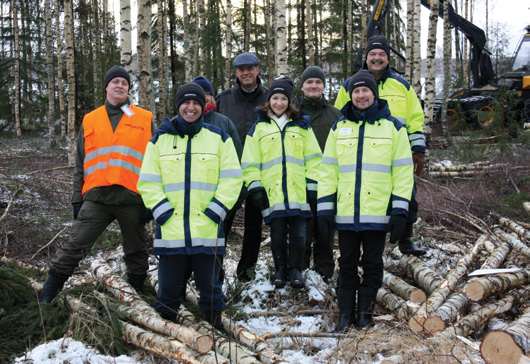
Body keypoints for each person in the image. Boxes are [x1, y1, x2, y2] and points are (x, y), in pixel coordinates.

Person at [39, 65, 155, 303]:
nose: (120, 86)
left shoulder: (144, 118)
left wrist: (151, 201)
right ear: (107, 87)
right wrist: (76, 199)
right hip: (96, 199)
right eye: (116, 82)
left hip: (131, 199)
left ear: (128, 89)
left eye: (124, 83)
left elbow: (156, 163)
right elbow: (80, 164)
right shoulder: (90, 119)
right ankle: (46, 299)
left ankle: (136, 300)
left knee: (136, 252)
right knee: (73, 247)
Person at [137, 83, 242, 329]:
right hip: (171, 233)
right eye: (186, 103)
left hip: (208, 232)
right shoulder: (160, 140)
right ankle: (168, 337)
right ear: (178, 106)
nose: (191, 107)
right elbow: (148, 181)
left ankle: (216, 335)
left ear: (203, 107)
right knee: (168, 291)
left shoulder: (219, 138)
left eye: (196, 103)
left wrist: (217, 210)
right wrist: (161, 212)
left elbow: (233, 178)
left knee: (211, 291)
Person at [318, 70, 414, 330]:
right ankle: (345, 316)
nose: (361, 95)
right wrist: (325, 209)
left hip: (378, 214)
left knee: (372, 264)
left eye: (366, 90)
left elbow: (403, 172)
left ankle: (365, 316)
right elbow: (328, 170)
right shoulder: (340, 127)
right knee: (346, 263)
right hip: (347, 213)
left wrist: (400, 211)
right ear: (351, 95)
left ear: (374, 93)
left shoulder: (394, 128)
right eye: (356, 91)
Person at [334, 34, 427, 256]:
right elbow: (338, 118)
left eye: (381, 55)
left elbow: (415, 118)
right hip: (356, 153)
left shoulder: (402, 86)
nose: (377, 58)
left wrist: (418, 150)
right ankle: (356, 241)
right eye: (372, 54)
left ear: (387, 59)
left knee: (407, 195)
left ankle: (405, 238)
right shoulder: (350, 85)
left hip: (395, 154)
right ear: (366, 58)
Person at [241, 76, 322, 289]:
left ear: (289, 102)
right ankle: (280, 269)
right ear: (269, 100)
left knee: (299, 234)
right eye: (275, 98)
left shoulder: (302, 125)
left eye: (283, 99)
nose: (279, 103)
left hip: (298, 191)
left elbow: (314, 158)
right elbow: (249, 161)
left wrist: (313, 184)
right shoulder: (259, 128)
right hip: (272, 192)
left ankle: (295, 270)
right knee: (276, 234)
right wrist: (254, 185)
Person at [215, 52, 269, 281]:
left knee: (254, 226)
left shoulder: (270, 98)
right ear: (236, 72)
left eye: (250, 68)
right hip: (230, 172)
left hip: (260, 171)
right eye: (241, 69)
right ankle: (214, 269)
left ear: (258, 70)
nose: (246, 72)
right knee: (222, 221)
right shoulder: (224, 99)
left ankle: (246, 271)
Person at [294, 66, 342, 281]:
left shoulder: (335, 115)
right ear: (302, 86)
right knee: (301, 232)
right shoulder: (291, 113)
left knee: (325, 230)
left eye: (318, 82)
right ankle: (299, 271)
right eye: (309, 82)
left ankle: (324, 272)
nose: (313, 86)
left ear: (323, 86)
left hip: (327, 183)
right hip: (299, 183)